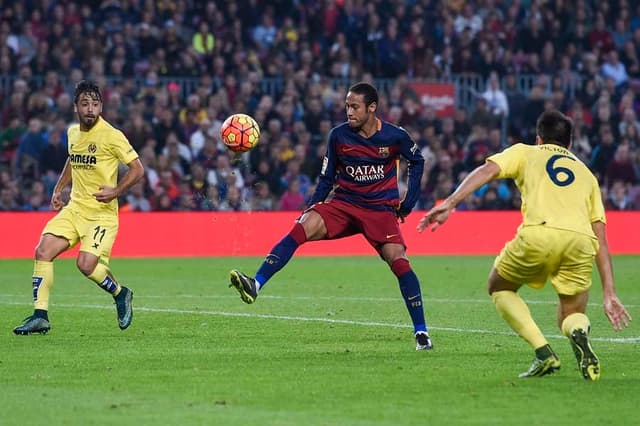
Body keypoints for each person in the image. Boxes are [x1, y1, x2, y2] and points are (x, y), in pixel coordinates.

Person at [418, 110, 631, 379]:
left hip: (539, 233)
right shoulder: (587, 174)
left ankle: (544, 353)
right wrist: (609, 291)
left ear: (539, 139)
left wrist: (450, 202)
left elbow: (488, 170)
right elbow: (600, 234)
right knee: (571, 312)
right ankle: (578, 332)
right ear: (571, 143)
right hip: (580, 241)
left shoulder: (526, 152)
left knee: (499, 286)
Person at [229, 82, 433, 350]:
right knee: (301, 226)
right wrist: (312, 206)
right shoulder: (339, 136)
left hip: (379, 209)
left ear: (372, 108)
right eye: (347, 106)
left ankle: (421, 333)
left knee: (399, 263)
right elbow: (327, 178)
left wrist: (409, 202)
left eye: (354, 107)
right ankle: (256, 283)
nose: (349, 111)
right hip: (344, 204)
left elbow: (417, 161)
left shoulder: (395, 136)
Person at [13, 80, 145, 335]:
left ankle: (121, 293)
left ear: (101, 106)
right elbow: (73, 159)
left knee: (85, 265)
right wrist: (59, 187)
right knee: (43, 251)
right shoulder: (73, 133)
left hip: (101, 215)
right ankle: (40, 316)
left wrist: (116, 191)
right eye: (84, 104)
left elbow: (138, 169)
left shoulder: (112, 135)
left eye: (95, 104)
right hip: (75, 209)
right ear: (76, 107)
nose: (90, 109)